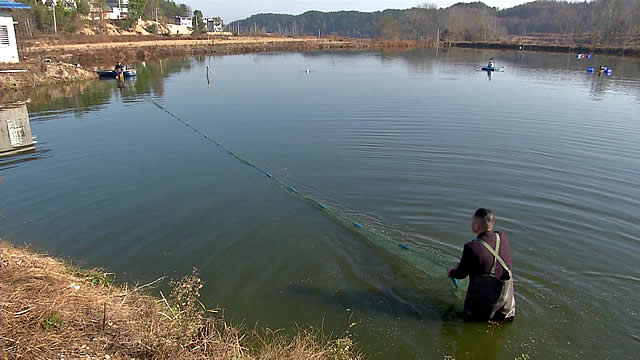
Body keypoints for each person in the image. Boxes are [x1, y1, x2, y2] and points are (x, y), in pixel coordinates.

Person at [448, 208, 516, 321]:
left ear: (476, 225)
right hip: (506, 307)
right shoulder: (502, 236)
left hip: (482, 310)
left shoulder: (471, 247)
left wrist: (451, 272)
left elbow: (460, 274)